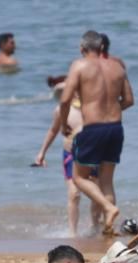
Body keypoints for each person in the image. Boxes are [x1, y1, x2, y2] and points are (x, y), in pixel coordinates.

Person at [57, 30, 134, 235]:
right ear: (101, 47)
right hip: (116, 128)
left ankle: (108, 208)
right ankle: (109, 228)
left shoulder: (79, 66)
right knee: (107, 180)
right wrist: (111, 110)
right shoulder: (117, 67)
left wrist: (64, 124)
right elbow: (128, 100)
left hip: (93, 128)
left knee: (79, 177)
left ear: (82, 49)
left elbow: (65, 100)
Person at [33, 85, 102, 236]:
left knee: (96, 194)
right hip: (70, 155)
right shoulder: (62, 110)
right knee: (74, 193)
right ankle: (73, 232)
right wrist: (42, 153)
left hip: (92, 154)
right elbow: (53, 130)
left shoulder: (92, 108)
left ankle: (95, 226)